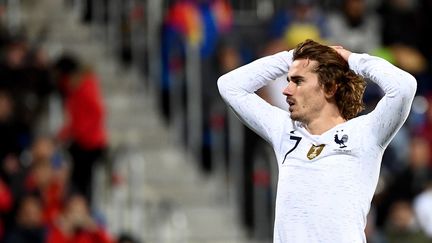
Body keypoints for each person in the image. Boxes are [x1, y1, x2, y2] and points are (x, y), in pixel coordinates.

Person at [217, 39, 416, 242]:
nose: (286, 90)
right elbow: (229, 86)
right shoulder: (285, 132)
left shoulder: (366, 133)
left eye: (298, 81)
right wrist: (292, 57)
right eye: (288, 80)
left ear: (329, 88)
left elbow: (404, 87)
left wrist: (351, 58)